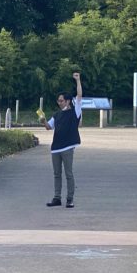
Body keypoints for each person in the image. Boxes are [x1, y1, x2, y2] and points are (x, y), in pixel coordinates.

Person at [40, 72, 82, 208]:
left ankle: (70, 199)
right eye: (58, 101)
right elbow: (48, 127)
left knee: (68, 173)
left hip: (68, 147)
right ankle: (57, 198)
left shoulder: (75, 111)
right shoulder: (57, 115)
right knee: (56, 174)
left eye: (61, 100)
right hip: (56, 148)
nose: (59, 103)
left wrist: (78, 80)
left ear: (68, 101)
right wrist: (43, 121)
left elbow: (79, 96)